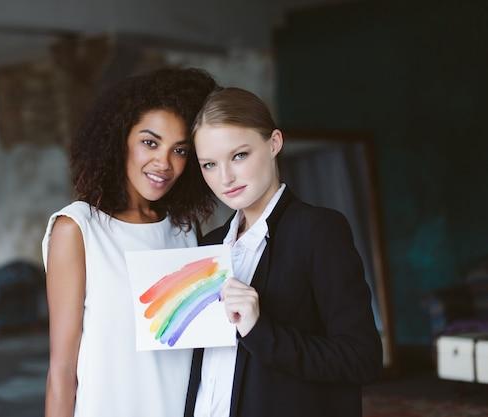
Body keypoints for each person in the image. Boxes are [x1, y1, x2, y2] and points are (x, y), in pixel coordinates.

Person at [184, 87, 383, 417]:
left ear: (274, 143)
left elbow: (362, 360)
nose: (225, 178)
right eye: (209, 164)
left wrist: (259, 329)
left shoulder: (319, 230)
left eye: (239, 155)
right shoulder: (208, 246)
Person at [42, 68, 217, 417]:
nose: (163, 163)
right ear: (120, 139)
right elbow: (61, 373)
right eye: (150, 143)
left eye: (179, 150)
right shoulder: (77, 229)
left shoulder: (184, 230)